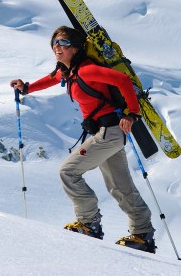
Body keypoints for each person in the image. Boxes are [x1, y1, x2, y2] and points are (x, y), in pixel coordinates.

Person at [10, 25, 156, 253]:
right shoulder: (69, 72)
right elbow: (51, 79)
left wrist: (132, 113)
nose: (58, 47)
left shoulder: (86, 70)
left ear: (76, 49)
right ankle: (142, 233)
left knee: (68, 171)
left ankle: (88, 223)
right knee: (120, 186)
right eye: (55, 42)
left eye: (64, 43)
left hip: (109, 132)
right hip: (107, 133)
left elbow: (123, 81)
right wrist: (26, 87)